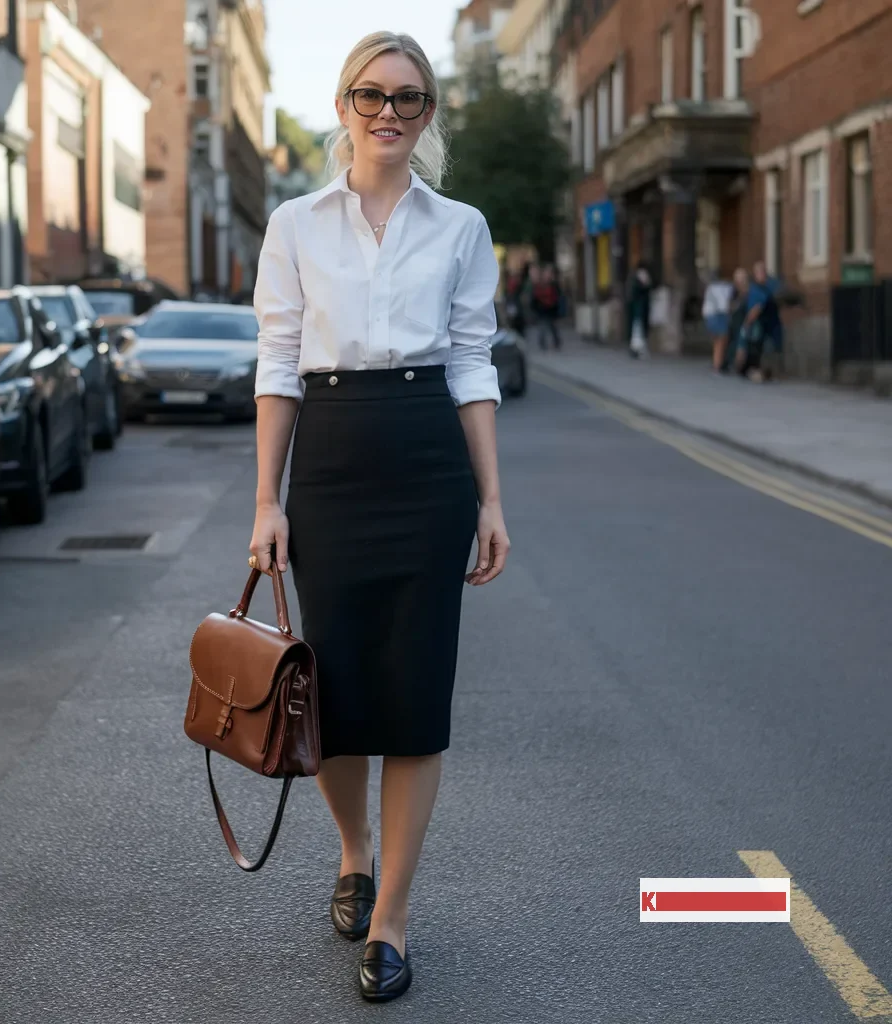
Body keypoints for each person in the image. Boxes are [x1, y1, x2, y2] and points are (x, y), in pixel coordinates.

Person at [249, 31, 510, 1004]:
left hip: (425, 459)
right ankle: (353, 850)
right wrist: (266, 501)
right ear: (343, 105)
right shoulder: (295, 224)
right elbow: (277, 365)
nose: (388, 111)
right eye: (370, 94)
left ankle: (393, 918)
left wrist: (489, 499)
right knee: (339, 692)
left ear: (428, 112)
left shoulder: (462, 226)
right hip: (330, 461)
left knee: (415, 700)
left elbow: (472, 363)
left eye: (408, 97)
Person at [735, 261, 783, 382]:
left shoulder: (768, 286)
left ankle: (764, 372)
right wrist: (747, 324)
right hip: (761, 327)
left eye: (763, 272)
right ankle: (759, 372)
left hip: (771, 325)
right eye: (759, 272)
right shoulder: (757, 290)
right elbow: (755, 310)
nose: (762, 274)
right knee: (761, 350)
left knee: (768, 349)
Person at [702, 269, 734, 372]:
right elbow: (723, 306)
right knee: (721, 340)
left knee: (717, 340)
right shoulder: (725, 288)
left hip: (709, 315)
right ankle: (718, 364)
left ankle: (717, 362)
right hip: (718, 315)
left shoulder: (711, 288)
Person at [529, 265, 562, 350]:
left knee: (552, 327)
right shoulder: (538, 286)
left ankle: (556, 342)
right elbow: (534, 298)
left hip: (551, 310)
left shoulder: (553, 285)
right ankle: (543, 344)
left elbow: (557, 297)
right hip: (542, 310)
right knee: (542, 328)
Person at [626, 262, 653, 358]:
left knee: (639, 331)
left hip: (641, 311)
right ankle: (637, 350)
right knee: (638, 332)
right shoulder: (637, 282)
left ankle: (638, 350)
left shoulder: (635, 281)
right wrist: (645, 285)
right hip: (638, 312)